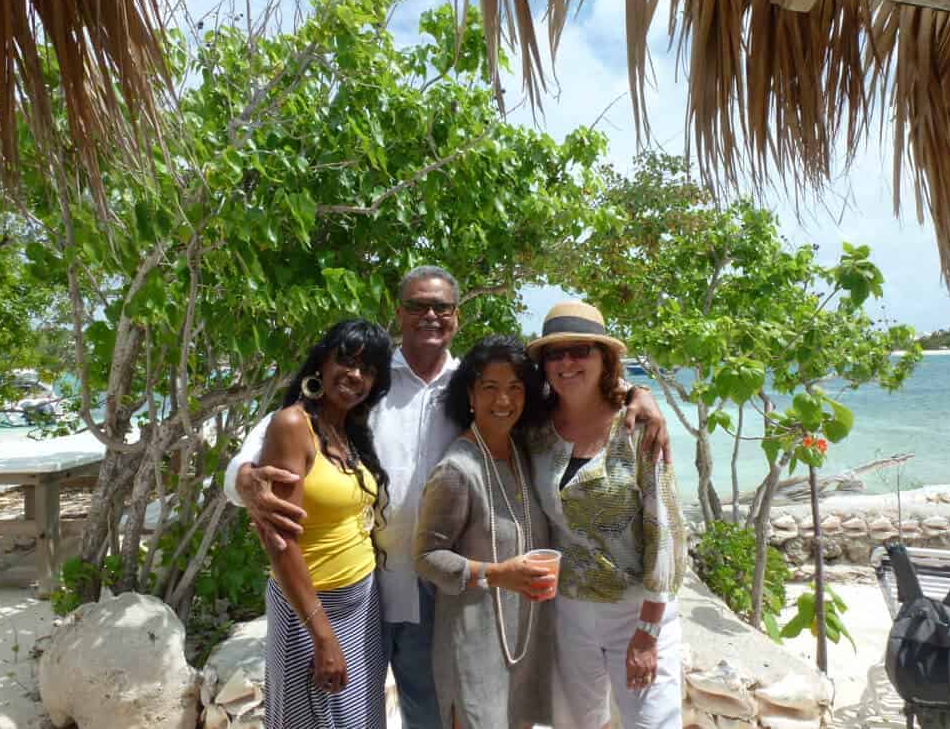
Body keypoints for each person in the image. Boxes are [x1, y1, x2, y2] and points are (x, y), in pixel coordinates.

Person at [224, 267, 672, 729]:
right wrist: (242, 475)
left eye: (441, 307)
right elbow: (284, 427)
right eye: (417, 306)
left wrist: (637, 394)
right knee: (341, 713)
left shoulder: (475, 384)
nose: (429, 316)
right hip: (364, 583)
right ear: (399, 312)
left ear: (457, 318)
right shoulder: (371, 380)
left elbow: (568, 394)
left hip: (434, 593)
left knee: (429, 715)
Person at [525, 300, 686, 729]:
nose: (566, 361)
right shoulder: (535, 430)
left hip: (637, 611)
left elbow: (665, 531)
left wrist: (648, 634)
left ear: (605, 357)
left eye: (580, 349)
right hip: (567, 611)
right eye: (555, 353)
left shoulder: (637, 427)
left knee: (653, 723)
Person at [256, 319, 393, 728]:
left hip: (361, 603)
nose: (356, 375)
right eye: (346, 362)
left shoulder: (348, 429)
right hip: (310, 609)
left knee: (356, 718)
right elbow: (280, 542)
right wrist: (322, 635)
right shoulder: (293, 426)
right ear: (321, 363)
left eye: (367, 370)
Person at [414, 335, 555, 728]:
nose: (503, 400)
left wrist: (639, 397)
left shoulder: (523, 451)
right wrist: (495, 574)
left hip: (524, 639)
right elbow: (425, 557)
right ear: (470, 396)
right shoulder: (458, 470)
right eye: (489, 388)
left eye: (514, 388)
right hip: (473, 642)